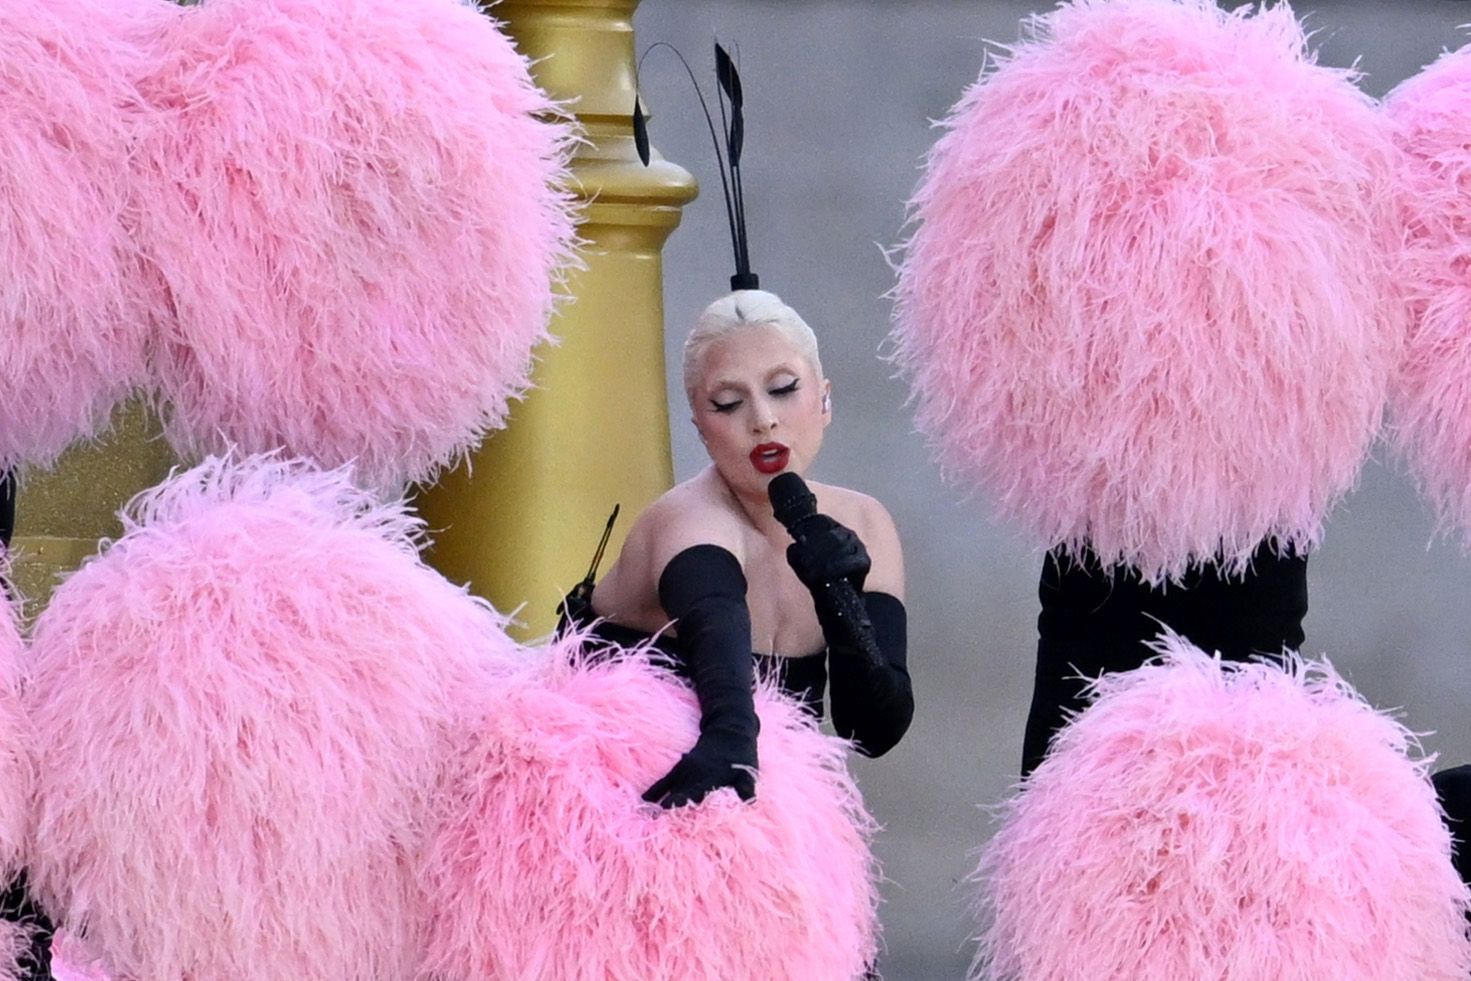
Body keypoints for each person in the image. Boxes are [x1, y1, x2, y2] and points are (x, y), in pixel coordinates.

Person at [573, 289, 914, 808]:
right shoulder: (687, 519)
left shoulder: (864, 521)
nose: (761, 419)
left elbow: (873, 730)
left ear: (824, 398)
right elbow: (719, 643)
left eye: (782, 388)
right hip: (601, 801)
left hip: (753, 818)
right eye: (728, 403)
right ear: (700, 428)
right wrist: (732, 739)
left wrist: (842, 609)